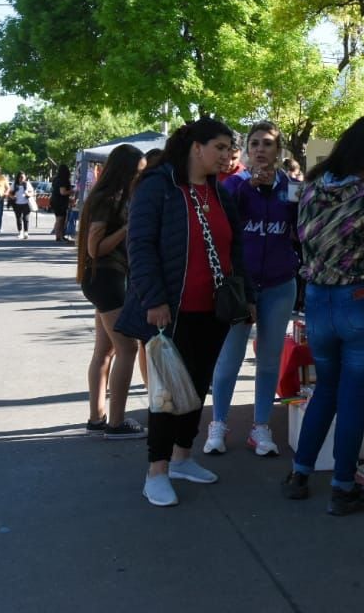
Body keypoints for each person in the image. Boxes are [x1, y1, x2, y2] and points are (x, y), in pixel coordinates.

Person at [116, 117, 252, 508]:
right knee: (168, 393)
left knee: (196, 387)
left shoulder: (220, 193)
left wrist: (249, 296)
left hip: (215, 309)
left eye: (230, 148)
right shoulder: (158, 187)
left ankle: (181, 458)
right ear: (196, 147)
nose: (227, 156)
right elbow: (139, 247)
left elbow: (235, 251)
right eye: (220, 147)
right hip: (170, 310)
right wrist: (154, 300)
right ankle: (156, 470)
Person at [282, 115, 364, 516]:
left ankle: (299, 474)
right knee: (354, 396)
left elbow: (300, 242)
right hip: (359, 300)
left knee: (325, 388)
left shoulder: (312, 188)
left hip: (318, 301)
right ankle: (342, 486)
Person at [205, 121, 299, 457]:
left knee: (270, 359)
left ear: (278, 150)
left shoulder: (291, 186)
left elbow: (301, 228)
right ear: (245, 150)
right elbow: (223, 225)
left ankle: (261, 427)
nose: (261, 149)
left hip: (278, 284)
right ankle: (218, 423)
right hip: (239, 287)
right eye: (255, 143)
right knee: (229, 358)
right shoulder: (232, 185)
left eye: (268, 144)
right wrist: (250, 188)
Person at [77, 144, 147, 440]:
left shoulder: (108, 196)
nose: (139, 179)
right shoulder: (109, 199)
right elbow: (95, 248)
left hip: (101, 279)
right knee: (127, 348)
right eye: (138, 173)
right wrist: (127, 228)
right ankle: (116, 422)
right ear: (125, 171)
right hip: (106, 278)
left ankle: (97, 417)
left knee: (104, 351)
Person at [9, 171, 35, 240]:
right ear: (18, 178)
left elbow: (32, 192)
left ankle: (26, 233)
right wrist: (12, 197)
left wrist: (28, 194)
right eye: (21, 177)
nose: (22, 179)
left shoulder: (27, 184)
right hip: (17, 204)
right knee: (18, 219)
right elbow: (10, 193)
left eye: (23, 177)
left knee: (26, 219)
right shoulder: (14, 184)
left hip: (26, 204)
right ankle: (20, 232)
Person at [51, 164, 73, 243]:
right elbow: (63, 192)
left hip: (55, 200)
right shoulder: (63, 180)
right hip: (60, 202)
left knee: (59, 219)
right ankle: (59, 236)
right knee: (60, 219)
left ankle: (59, 236)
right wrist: (72, 191)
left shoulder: (56, 179)